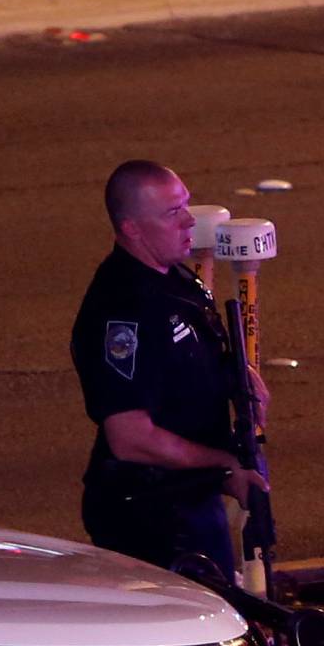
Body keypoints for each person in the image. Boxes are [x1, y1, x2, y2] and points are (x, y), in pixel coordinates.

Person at [70, 161, 269, 583]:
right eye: (172, 212)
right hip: (151, 513)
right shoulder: (122, 309)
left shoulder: (171, 277)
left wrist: (239, 376)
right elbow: (130, 438)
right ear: (133, 229)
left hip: (190, 495)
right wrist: (224, 465)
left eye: (186, 205)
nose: (189, 221)